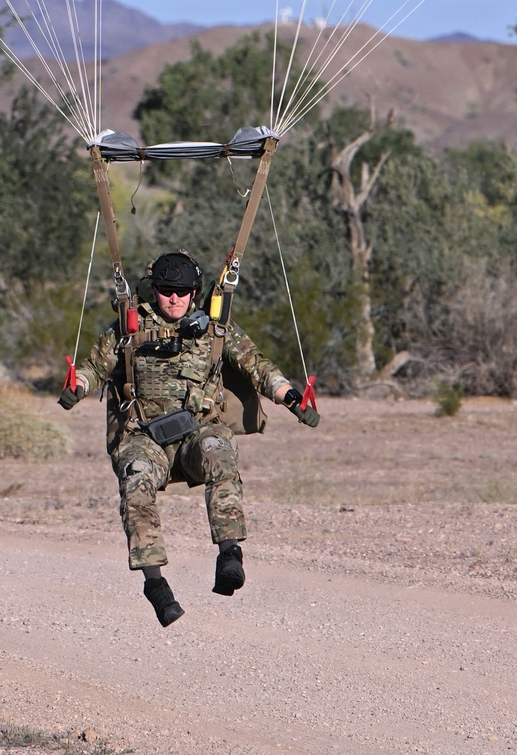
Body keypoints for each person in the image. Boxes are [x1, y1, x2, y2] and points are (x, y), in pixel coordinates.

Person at [58, 249, 321, 627]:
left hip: (198, 432)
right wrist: (76, 387)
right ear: (155, 291)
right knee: (136, 479)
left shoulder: (216, 328)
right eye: (167, 290)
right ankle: (156, 585)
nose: (175, 298)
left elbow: (259, 368)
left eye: (183, 291)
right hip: (143, 436)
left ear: (195, 292)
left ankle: (230, 555)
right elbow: (93, 369)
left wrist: (292, 399)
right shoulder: (127, 328)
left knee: (220, 454)